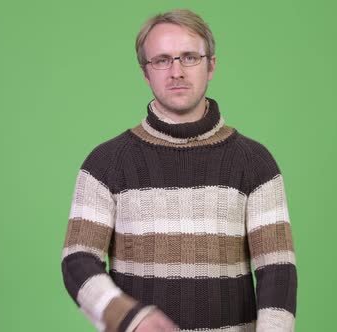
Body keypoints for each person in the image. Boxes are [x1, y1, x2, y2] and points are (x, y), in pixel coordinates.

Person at [61, 9, 297, 332]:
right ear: (146, 73)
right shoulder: (106, 164)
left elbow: (277, 271)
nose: (176, 71)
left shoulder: (255, 163)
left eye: (189, 57)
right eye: (162, 60)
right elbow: (77, 261)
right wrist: (129, 317)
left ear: (211, 65)